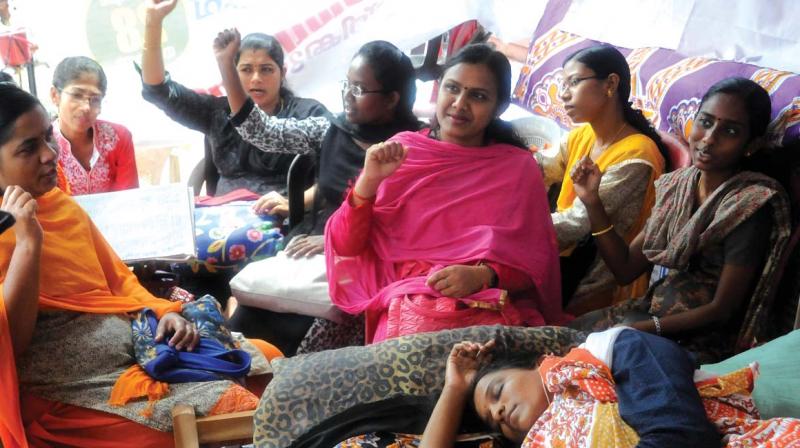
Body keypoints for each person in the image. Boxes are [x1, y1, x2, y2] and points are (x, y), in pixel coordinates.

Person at [0, 83, 281, 448]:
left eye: (48, 138)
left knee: (269, 360)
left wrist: (163, 311)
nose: (49, 154)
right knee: (232, 410)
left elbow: (119, 281)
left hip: (137, 347)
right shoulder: (17, 231)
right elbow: (11, 342)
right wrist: (28, 244)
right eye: (28, 148)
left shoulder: (61, 207)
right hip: (70, 389)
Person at [322, 44, 564, 343]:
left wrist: (484, 276)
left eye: (477, 96)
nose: (459, 104)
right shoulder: (403, 152)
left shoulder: (516, 168)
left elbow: (534, 260)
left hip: (484, 301)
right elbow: (347, 245)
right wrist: (368, 183)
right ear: (438, 90)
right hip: (407, 301)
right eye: (452, 88)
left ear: (499, 107)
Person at [215, 30, 422, 351]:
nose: (347, 96)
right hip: (310, 246)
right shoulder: (330, 128)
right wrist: (226, 65)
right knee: (246, 320)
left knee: (299, 336)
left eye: (359, 88)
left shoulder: (417, 148)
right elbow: (261, 131)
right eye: (346, 85)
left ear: (392, 98)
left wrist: (333, 245)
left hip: (368, 267)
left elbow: (409, 229)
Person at [567, 77, 791, 363]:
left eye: (730, 131)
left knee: (573, 356)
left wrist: (640, 330)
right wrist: (592, 201)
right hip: (647, 315)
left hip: (693, 345)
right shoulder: (678, 187)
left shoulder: (748, 206)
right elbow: (624, 268)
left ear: (751, 145)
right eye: (705, 122)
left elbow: (723, 310)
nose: (709, 138)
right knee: (554, 338)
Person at [417, 328, 799, 447]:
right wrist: (455, 388)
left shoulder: (610, 349)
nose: (499, 413)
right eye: (494, 421)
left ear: (539, 365)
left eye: (497, 392)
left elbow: (679, 435)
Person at [140, 0, 328, 197]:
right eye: (246, 70)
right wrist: (153, 24)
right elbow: (157, 89)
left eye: (266, 70)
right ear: (233, 73)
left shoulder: (309, 115)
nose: (256, 78)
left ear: (282, 73)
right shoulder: (217, 112)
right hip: (224, 222)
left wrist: (293, 205)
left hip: (290, 220)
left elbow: (334, 178)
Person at [537, 45, 666, 314]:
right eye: (563, 84)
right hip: (560, 258)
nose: (563, 94)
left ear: (610, 84)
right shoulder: (584, 135)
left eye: (573, 82)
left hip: (592, 284)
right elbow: (543, 168)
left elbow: (577, 223)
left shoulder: (636, 156)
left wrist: (514, 228)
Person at [50, 56, 139, 195]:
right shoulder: (43, 147)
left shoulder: (118, 137)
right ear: (55, 95)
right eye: (77, 95)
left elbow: (128, 198)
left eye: (95, 99)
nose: (86, 107)